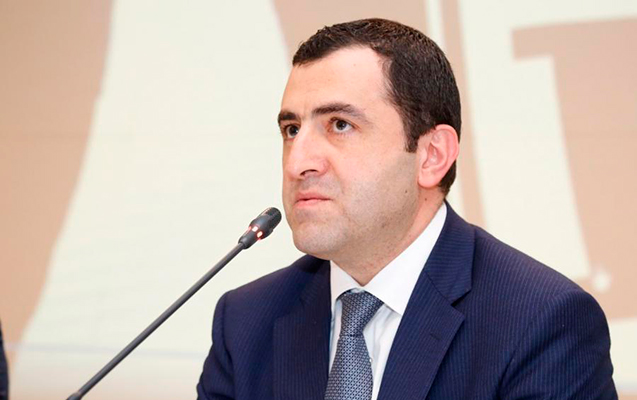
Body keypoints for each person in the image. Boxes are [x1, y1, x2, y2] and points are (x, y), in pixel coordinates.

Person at [197, 18, 616, 400]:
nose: (297, 163)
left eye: (340, 125)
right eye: (291, 130)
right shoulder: (245, 322)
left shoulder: (542, 323)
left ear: (432, 155)